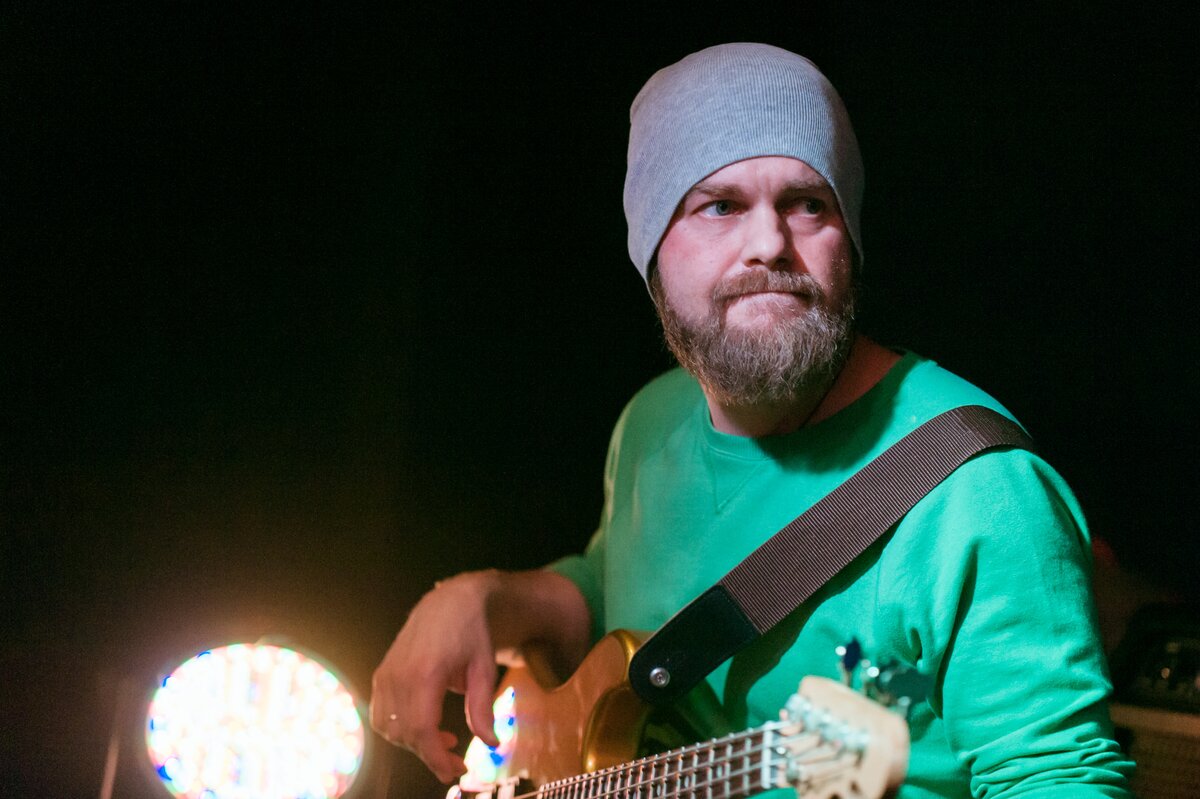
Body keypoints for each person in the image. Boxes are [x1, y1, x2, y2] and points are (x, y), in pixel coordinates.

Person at [370, 43, 1134, 797]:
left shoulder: (981, 493)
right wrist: (481, 597)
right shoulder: (651, 422)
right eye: (721, 206)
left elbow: (1060, 776)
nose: (769, 244)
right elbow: (615, 592)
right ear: (651, 250)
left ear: (849, 239)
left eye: (808, 204)